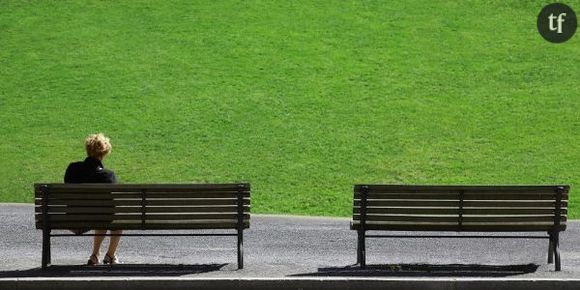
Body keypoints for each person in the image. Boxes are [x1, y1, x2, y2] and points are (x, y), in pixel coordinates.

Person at [64, 133, 122, 265]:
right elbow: (113, 204)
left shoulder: (72, 169)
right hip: (96, 219)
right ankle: (110, 255)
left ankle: (95, 255)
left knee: (101, 213)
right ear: (104, 153)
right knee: (110, 216)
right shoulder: (108, 176)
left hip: (71, 220)